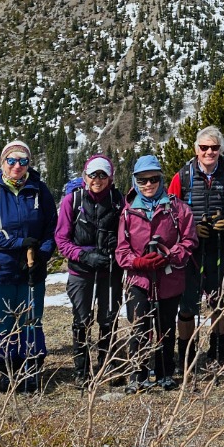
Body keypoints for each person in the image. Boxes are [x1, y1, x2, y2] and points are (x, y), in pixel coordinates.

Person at [0, 139, 58, 394]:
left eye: (23, 161)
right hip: (0, 268)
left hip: (32, 269)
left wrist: (42, 254)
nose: (17, 166)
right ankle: (7, 372)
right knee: (3, 321)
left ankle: (31, 370)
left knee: (31, 320)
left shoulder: (39, 190)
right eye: (11, 160)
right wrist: (19, 242)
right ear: (3, 163)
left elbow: (51, 228)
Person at [116, 154, 197, 392]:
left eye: (153, 179)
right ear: (135, 182)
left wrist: (168, 255)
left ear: (161, 179)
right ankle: (138, 374)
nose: (148, 185)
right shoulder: (128, 213)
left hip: (169, 278)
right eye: (142, 180)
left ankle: (165, 373)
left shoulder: (178, 209)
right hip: (139, 280)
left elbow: (189, 241)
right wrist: (138, 262)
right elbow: (121, 250)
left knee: (166, 328)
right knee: (139, 327)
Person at [168, 126, 224, 372]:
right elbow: (170, 214)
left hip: (221, 249)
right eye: (204, 148)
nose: (209, 152)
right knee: (188, 305)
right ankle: (186, 354)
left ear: (220, 149)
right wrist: (190, 230)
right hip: (190, 253)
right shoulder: (182, 176)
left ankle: (217, 351)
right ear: (196, 150)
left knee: (219, 302)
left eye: (214, 147)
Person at [55, 154, 125, 388]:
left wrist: (116, 251)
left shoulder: (118, 201)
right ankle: (82, 372)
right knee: (82, 320)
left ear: (110, 177)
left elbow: (128, 234)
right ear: (85, 176)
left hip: (110, 269)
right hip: (80, 271)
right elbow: (62, 239)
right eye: (93, 174)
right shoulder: (71, 201)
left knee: (108, 319)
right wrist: (83, 255)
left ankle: (105, 366)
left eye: (103, 174)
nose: (98, 179)